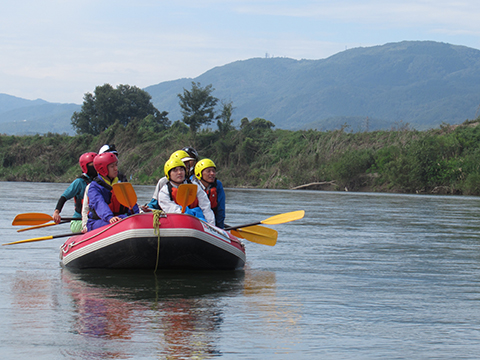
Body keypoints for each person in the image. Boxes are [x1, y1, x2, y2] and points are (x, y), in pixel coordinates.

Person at [86, 152, 139, 231]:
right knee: (117, 224)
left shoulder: (121, 184)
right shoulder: (94, 187)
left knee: (129, 221)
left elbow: (131, 203)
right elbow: (99, 203)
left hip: (119, 218)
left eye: (116, 165)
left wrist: (136, 215)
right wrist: (109, 217)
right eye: (112, 166)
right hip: (99, 221)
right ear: (103, 169)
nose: (116, 169)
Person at [157, 157, 215, 225]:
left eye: (181, 169)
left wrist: (211, 225)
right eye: (175, 170)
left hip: (198, 220)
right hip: (176, 222)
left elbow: (206, 207)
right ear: (169, 174)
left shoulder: (194, 186)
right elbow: (173, 210)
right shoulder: (164, 192)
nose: (179, 172)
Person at [52, 152, 97, 233]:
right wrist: (56, 212)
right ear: (85, 167)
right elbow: (64, 197)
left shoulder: (99, 182)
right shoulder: (79, 182)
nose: (95, 167)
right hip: (78, 221)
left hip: (93, 219)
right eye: (92, 165)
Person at [193, 158, 226, 229]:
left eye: (213, 171)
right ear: (199, 173)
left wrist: (220, 228)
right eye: (208, 171)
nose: (212, 173)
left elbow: (221, 209)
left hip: (213, 222)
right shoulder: (192, 186)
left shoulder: (217, 185)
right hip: (196, 222)